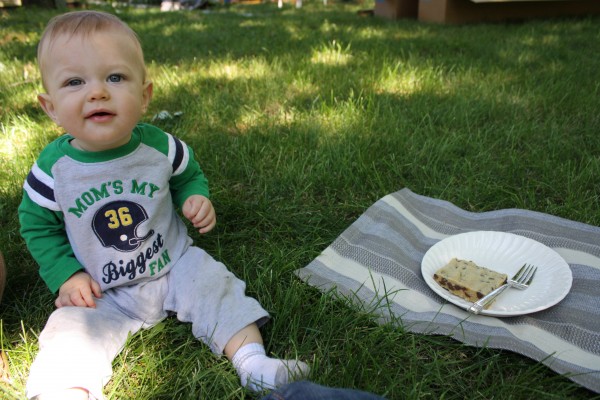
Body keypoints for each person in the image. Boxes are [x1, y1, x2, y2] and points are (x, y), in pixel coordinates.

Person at [18, 10, 308, 400]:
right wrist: (66, 275)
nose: (97, 92)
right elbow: (37, 224)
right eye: (74, 82)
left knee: (215, 285)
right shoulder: (55, 170)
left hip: (173, 263)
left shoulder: (159, 147)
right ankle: (66, 390)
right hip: (102, 287)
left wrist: (194, 197)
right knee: (70, 329)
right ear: (50, 106)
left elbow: (187, 173)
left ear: (144, 94)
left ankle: (253, 363)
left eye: (115, 77)